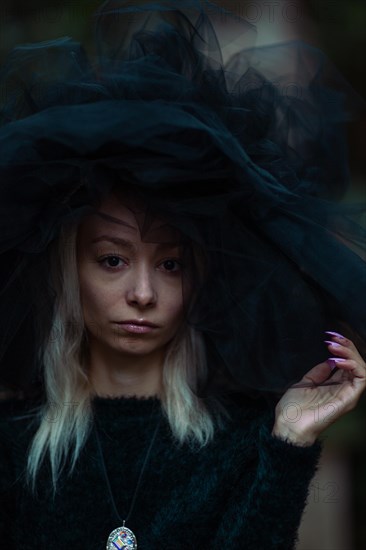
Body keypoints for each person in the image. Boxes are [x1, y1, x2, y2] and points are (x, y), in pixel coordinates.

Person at [0, 1, 365, 549]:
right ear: (66, 271)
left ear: (197, 280)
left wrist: (289, 441)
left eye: (170, 264)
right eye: (112, 260)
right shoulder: (11, 442)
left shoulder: (247, 438)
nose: (143, 294)